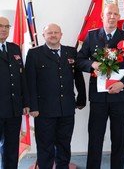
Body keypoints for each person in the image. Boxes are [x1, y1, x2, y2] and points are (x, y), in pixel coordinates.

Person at [77, 3, 124, 169]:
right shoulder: (91, 37)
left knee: (119, 138)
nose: (112, 17)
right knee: (95, 137)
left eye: (115, 14)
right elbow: (79, 60)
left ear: (119, 17)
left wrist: (123, 84)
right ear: (102, 16)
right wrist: (92, 64)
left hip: (120, 96)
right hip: (98, 97)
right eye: (108, 14)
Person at [25, 23, 86, 169]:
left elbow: (78, 77)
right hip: (44, 110)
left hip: (67, 108)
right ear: (43, 35)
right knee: (45, 145)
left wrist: (81, 98)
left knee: (64, 143)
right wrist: (33, 106)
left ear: (61, 35)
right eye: (49, 33)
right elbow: (30, 82)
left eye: (56, 32)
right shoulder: (35, 54)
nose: (53, 35)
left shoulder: (71, 52)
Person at [0, 16, 29, 169]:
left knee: (11, 148)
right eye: (0, 26)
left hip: (13, 109)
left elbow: (21, 77)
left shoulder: (14, 48)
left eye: (7, 26)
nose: (4, 29)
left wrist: (25, 102)